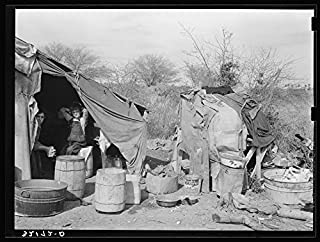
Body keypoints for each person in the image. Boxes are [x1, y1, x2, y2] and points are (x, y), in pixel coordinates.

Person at [30, 109, 56, 178]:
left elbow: (35, 142)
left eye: (42, 117)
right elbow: (32, 144)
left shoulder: (39, 126)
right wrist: (46, 148)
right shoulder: (32, 126)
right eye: (38, 117)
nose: (40, 119)